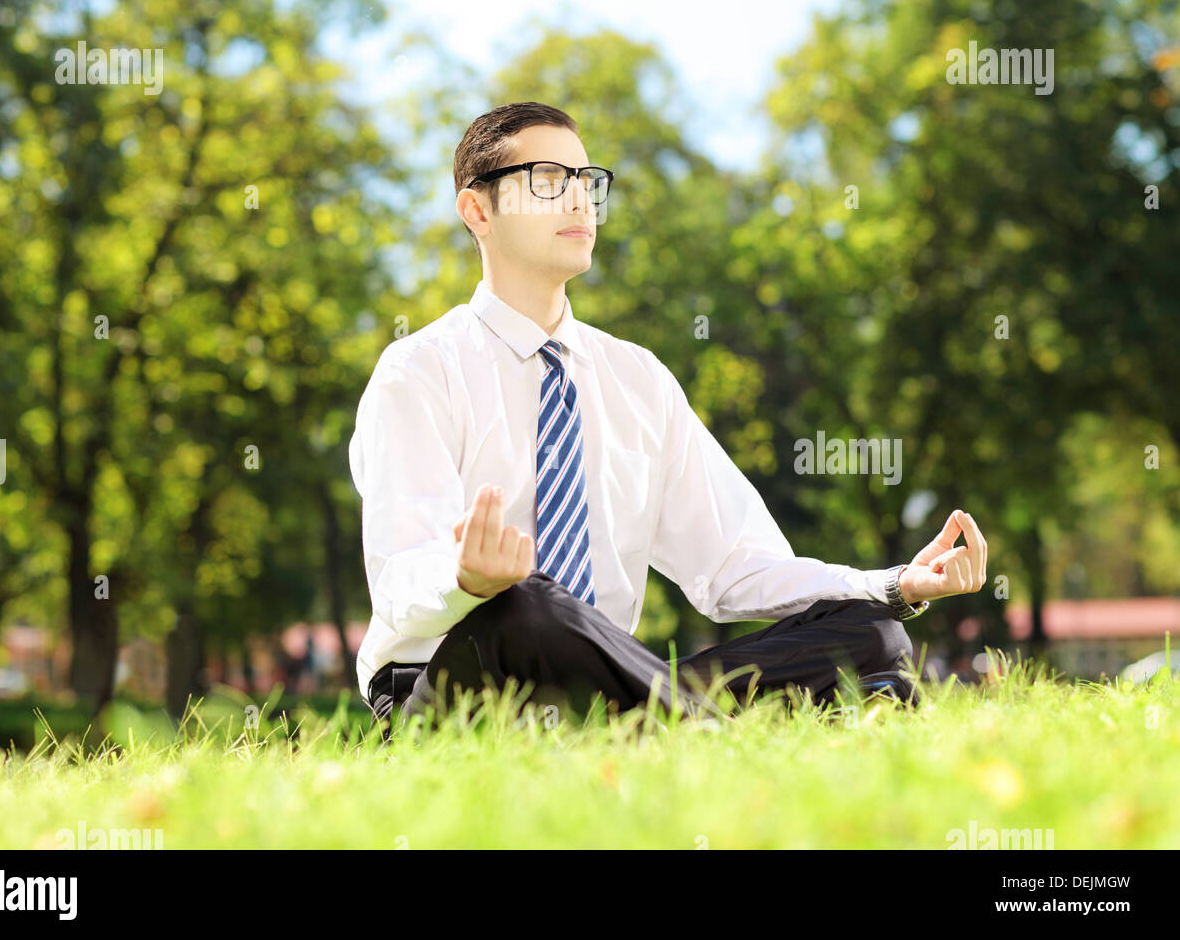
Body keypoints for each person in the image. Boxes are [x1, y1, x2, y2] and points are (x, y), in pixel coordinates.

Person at [349, 102, 988, 737]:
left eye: (587, 180)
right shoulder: (420, 371)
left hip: (609, 686)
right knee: (524, 604)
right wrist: (464, 580)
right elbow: (400, 577)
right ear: (477, 209)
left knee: (869, 632)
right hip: (449, 685)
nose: (578, 201)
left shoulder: (639, 378)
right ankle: (702, 734)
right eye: (548, 180)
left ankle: (662, 729)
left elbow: (737, 563)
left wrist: (896, 585)